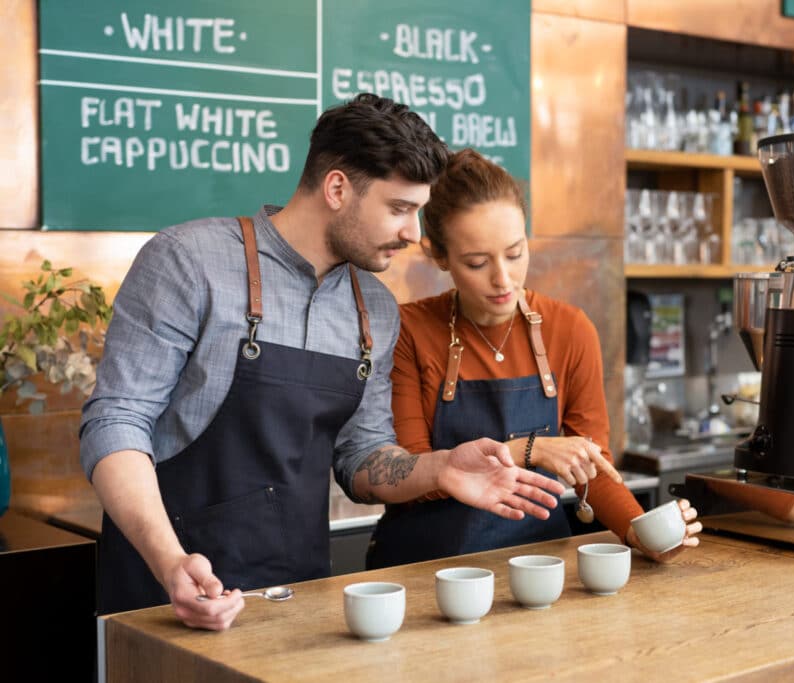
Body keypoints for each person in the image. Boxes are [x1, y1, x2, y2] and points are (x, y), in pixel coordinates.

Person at [79, 95, 565, 630]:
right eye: (400, 208)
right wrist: (170, 561)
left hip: (296, 596)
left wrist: (438, 468)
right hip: (163, 592)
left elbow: (362, 458)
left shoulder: (373, 309)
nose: (413, 233)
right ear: (337, 189)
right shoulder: (188, 262)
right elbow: (115, 423)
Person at [366, 149, 702, 568]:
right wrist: (527, 450)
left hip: (536, 569)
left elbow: (591, 466)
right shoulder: (409, 331)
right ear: (439, 256)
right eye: (476, 262)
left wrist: (640, 531)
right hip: (425, 573)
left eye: (514, 252)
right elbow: (410, 474)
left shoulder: (570, 329)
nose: (503, 279)